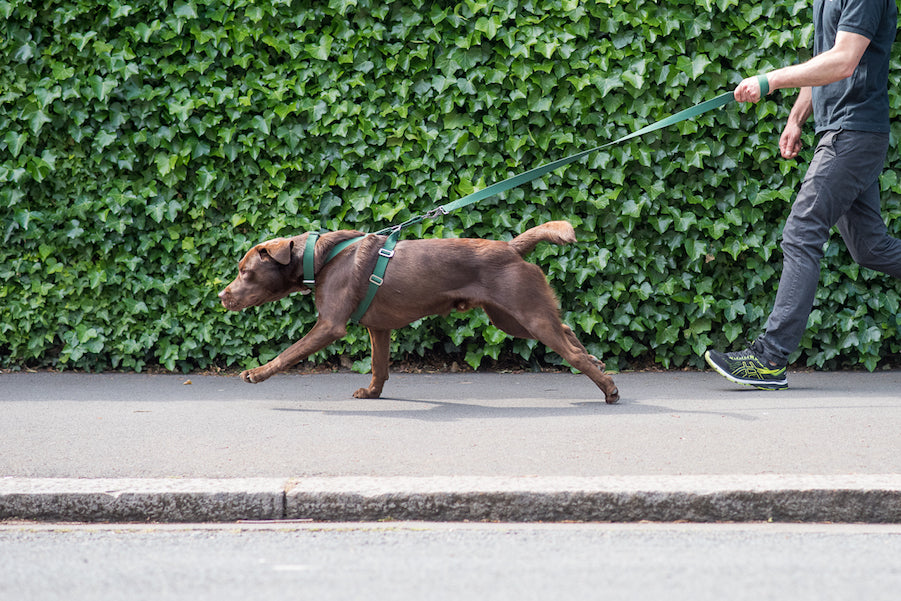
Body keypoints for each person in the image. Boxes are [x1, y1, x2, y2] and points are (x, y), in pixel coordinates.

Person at [704, 0, 901, 390]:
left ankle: (769, 358)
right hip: (839, 130)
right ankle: (769, 357)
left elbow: (844, 61)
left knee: (803, 228)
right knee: (871, 248)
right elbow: (823, 62)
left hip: (854, 132)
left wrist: (769, 80)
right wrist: (796, 119)